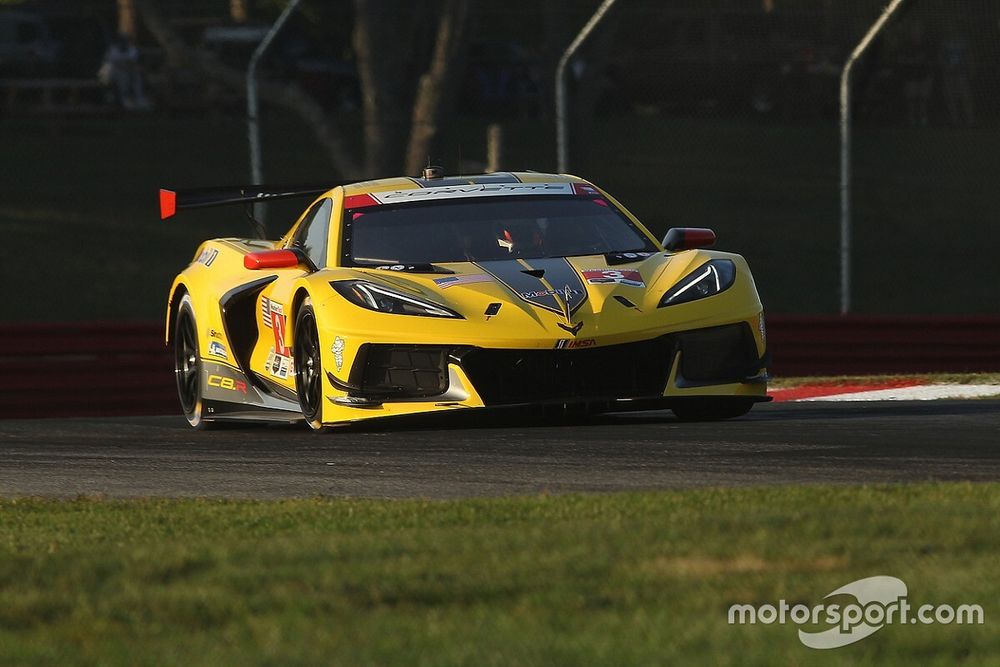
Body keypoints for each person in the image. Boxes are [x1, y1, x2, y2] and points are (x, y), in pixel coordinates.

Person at [99, 33, 151, 110]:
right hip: (109, 74)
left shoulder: (132, 49)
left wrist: (129, 66)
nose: (124, 43)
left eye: (126, 41)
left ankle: (139, 98)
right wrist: (125, 65)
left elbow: (133, 63)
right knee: (123, 77)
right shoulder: (112, 50)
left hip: (128, 71)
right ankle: (125, 99)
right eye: (122, 41)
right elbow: (110, 65)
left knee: (137, 76)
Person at [898, 22, 933, 127]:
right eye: (914, 30)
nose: (916, 32)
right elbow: (900, 59)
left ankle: (923, 119)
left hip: (924, 75)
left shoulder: (927, 43)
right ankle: (912, 119)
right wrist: (912, 60)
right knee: (911, 99)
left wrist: (914, 60)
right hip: (910, 75)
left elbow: (927, 58)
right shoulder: (905, 44)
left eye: (918, 30)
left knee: (923, 99)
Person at [940, 24, 975, 126]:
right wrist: (945, 66)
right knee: (951, 97)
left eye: (954, 28)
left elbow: (969, 55)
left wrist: (971, 68)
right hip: (948, 72)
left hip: (961, 72)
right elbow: (940, 56)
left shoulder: (963, 42)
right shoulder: (944, 42)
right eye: (950, 28)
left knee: (965, 96)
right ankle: (954, 120)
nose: (952, 30)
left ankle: (970, 120)